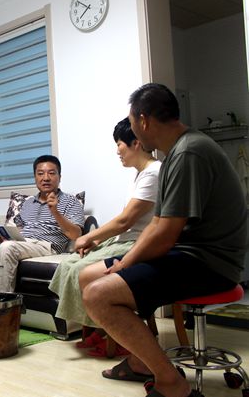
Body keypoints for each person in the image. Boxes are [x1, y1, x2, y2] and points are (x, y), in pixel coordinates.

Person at [80, 83, 247, 397]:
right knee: (91, 277)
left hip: (210, 263)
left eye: (132, 124)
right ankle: (143, 362)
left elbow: (165, 233)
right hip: (189, 254)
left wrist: (124, 265)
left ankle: (171, 383)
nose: (132, 132)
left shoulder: (189, 152)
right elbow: (158, 224)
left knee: (98, 295)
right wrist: (125, 262)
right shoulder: (176, 154)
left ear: (143, 121)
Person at [48, 118, 160, 351]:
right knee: (68, 264)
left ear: (136, 143)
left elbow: (126, 220)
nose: (117, 151)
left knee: (80, 270)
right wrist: (98, 238)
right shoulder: (140, 174)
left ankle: (114, 335)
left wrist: (89, 236)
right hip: (125, 238)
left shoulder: (153, 173)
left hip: (137, 244)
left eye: (119, 144)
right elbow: (125, 219)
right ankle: (99, 329)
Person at [0, 155, 84, 292]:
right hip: (21, 244)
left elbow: (76, 234)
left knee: (8, 247)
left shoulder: (71, 201)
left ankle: (4, 301)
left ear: (59, 177)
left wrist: (55, 211)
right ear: (35, 177)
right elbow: (19, 230)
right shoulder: (28, 202)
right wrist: (3, 236)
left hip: (46, 246)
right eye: (40, 173)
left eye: (51, 173)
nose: (46, 178)